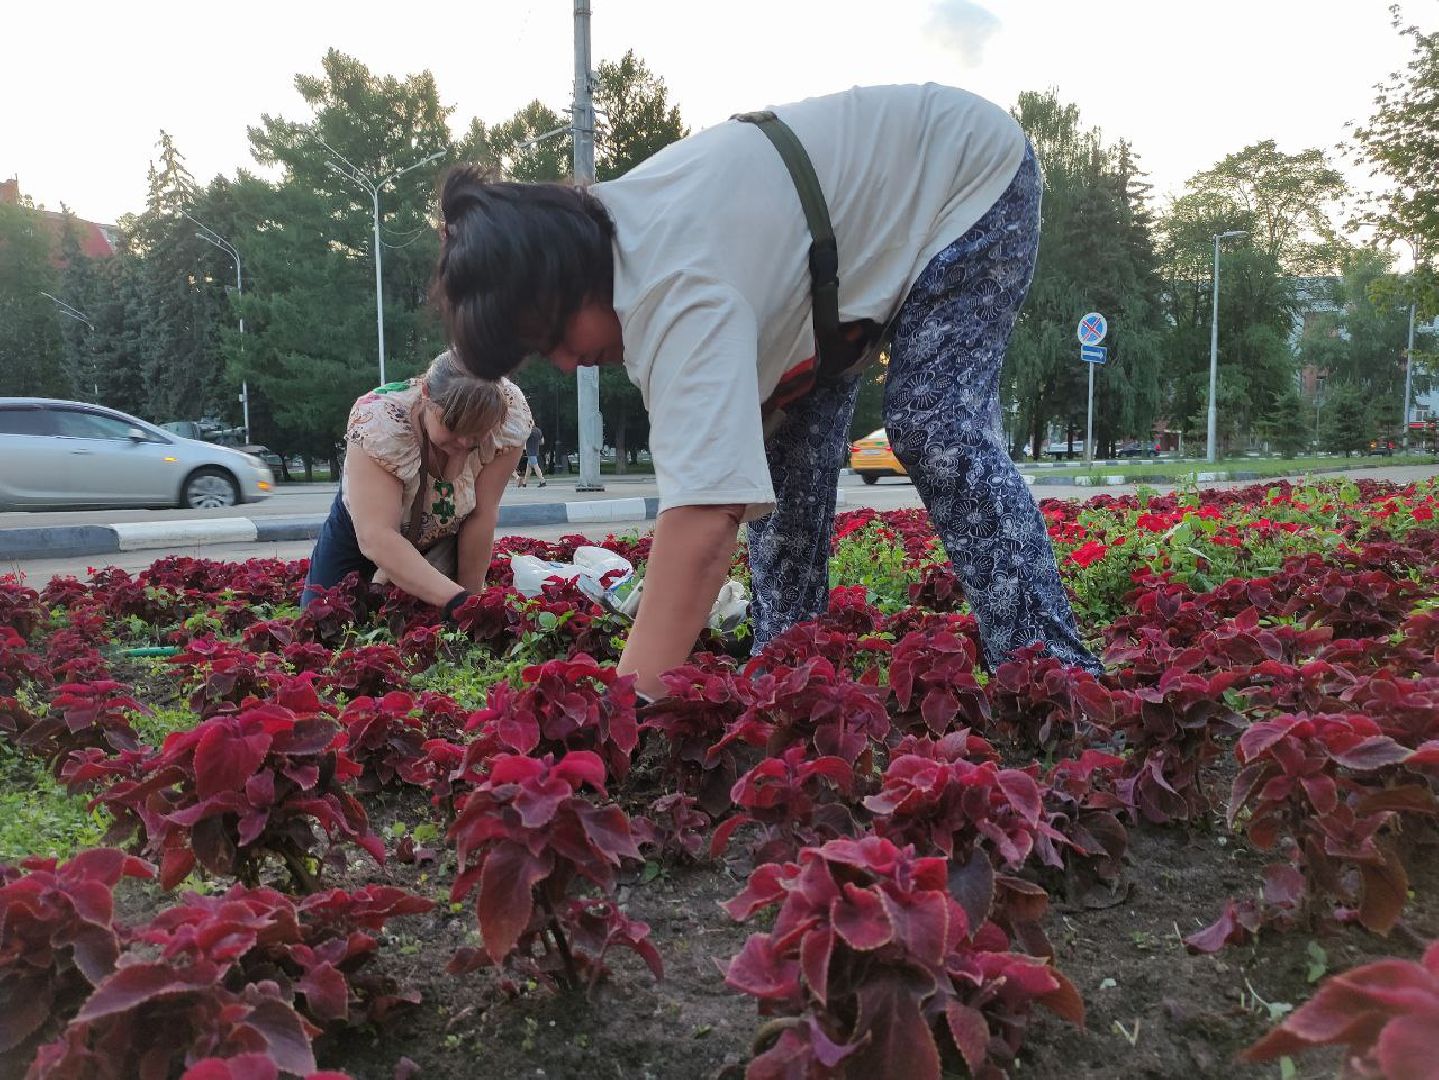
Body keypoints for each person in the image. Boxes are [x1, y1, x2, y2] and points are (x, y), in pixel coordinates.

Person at [432, 83, 1101, 697]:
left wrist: (624, 712)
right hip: (833, 273)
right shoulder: (619, 244)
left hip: (961, 175)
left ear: (566, 265)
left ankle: (1054, 677)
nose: (567, 362)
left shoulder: (673, 285)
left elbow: (703, 518)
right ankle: (789, 672)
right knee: (780, 461)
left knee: (934, 425)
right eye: (539, 352)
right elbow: (724, 471)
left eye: (552, 332)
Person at [301, 351, 532, 616]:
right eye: (453, 427)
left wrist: (470, 605)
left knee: (429, 623)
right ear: (425, 394)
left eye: (477, 433)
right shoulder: (381, 423)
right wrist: (455, 599)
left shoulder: (509, 413)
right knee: (322, 616)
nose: (465, 443)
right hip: (365, 531)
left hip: (445, 531)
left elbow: (482, 513)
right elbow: (377, 536)